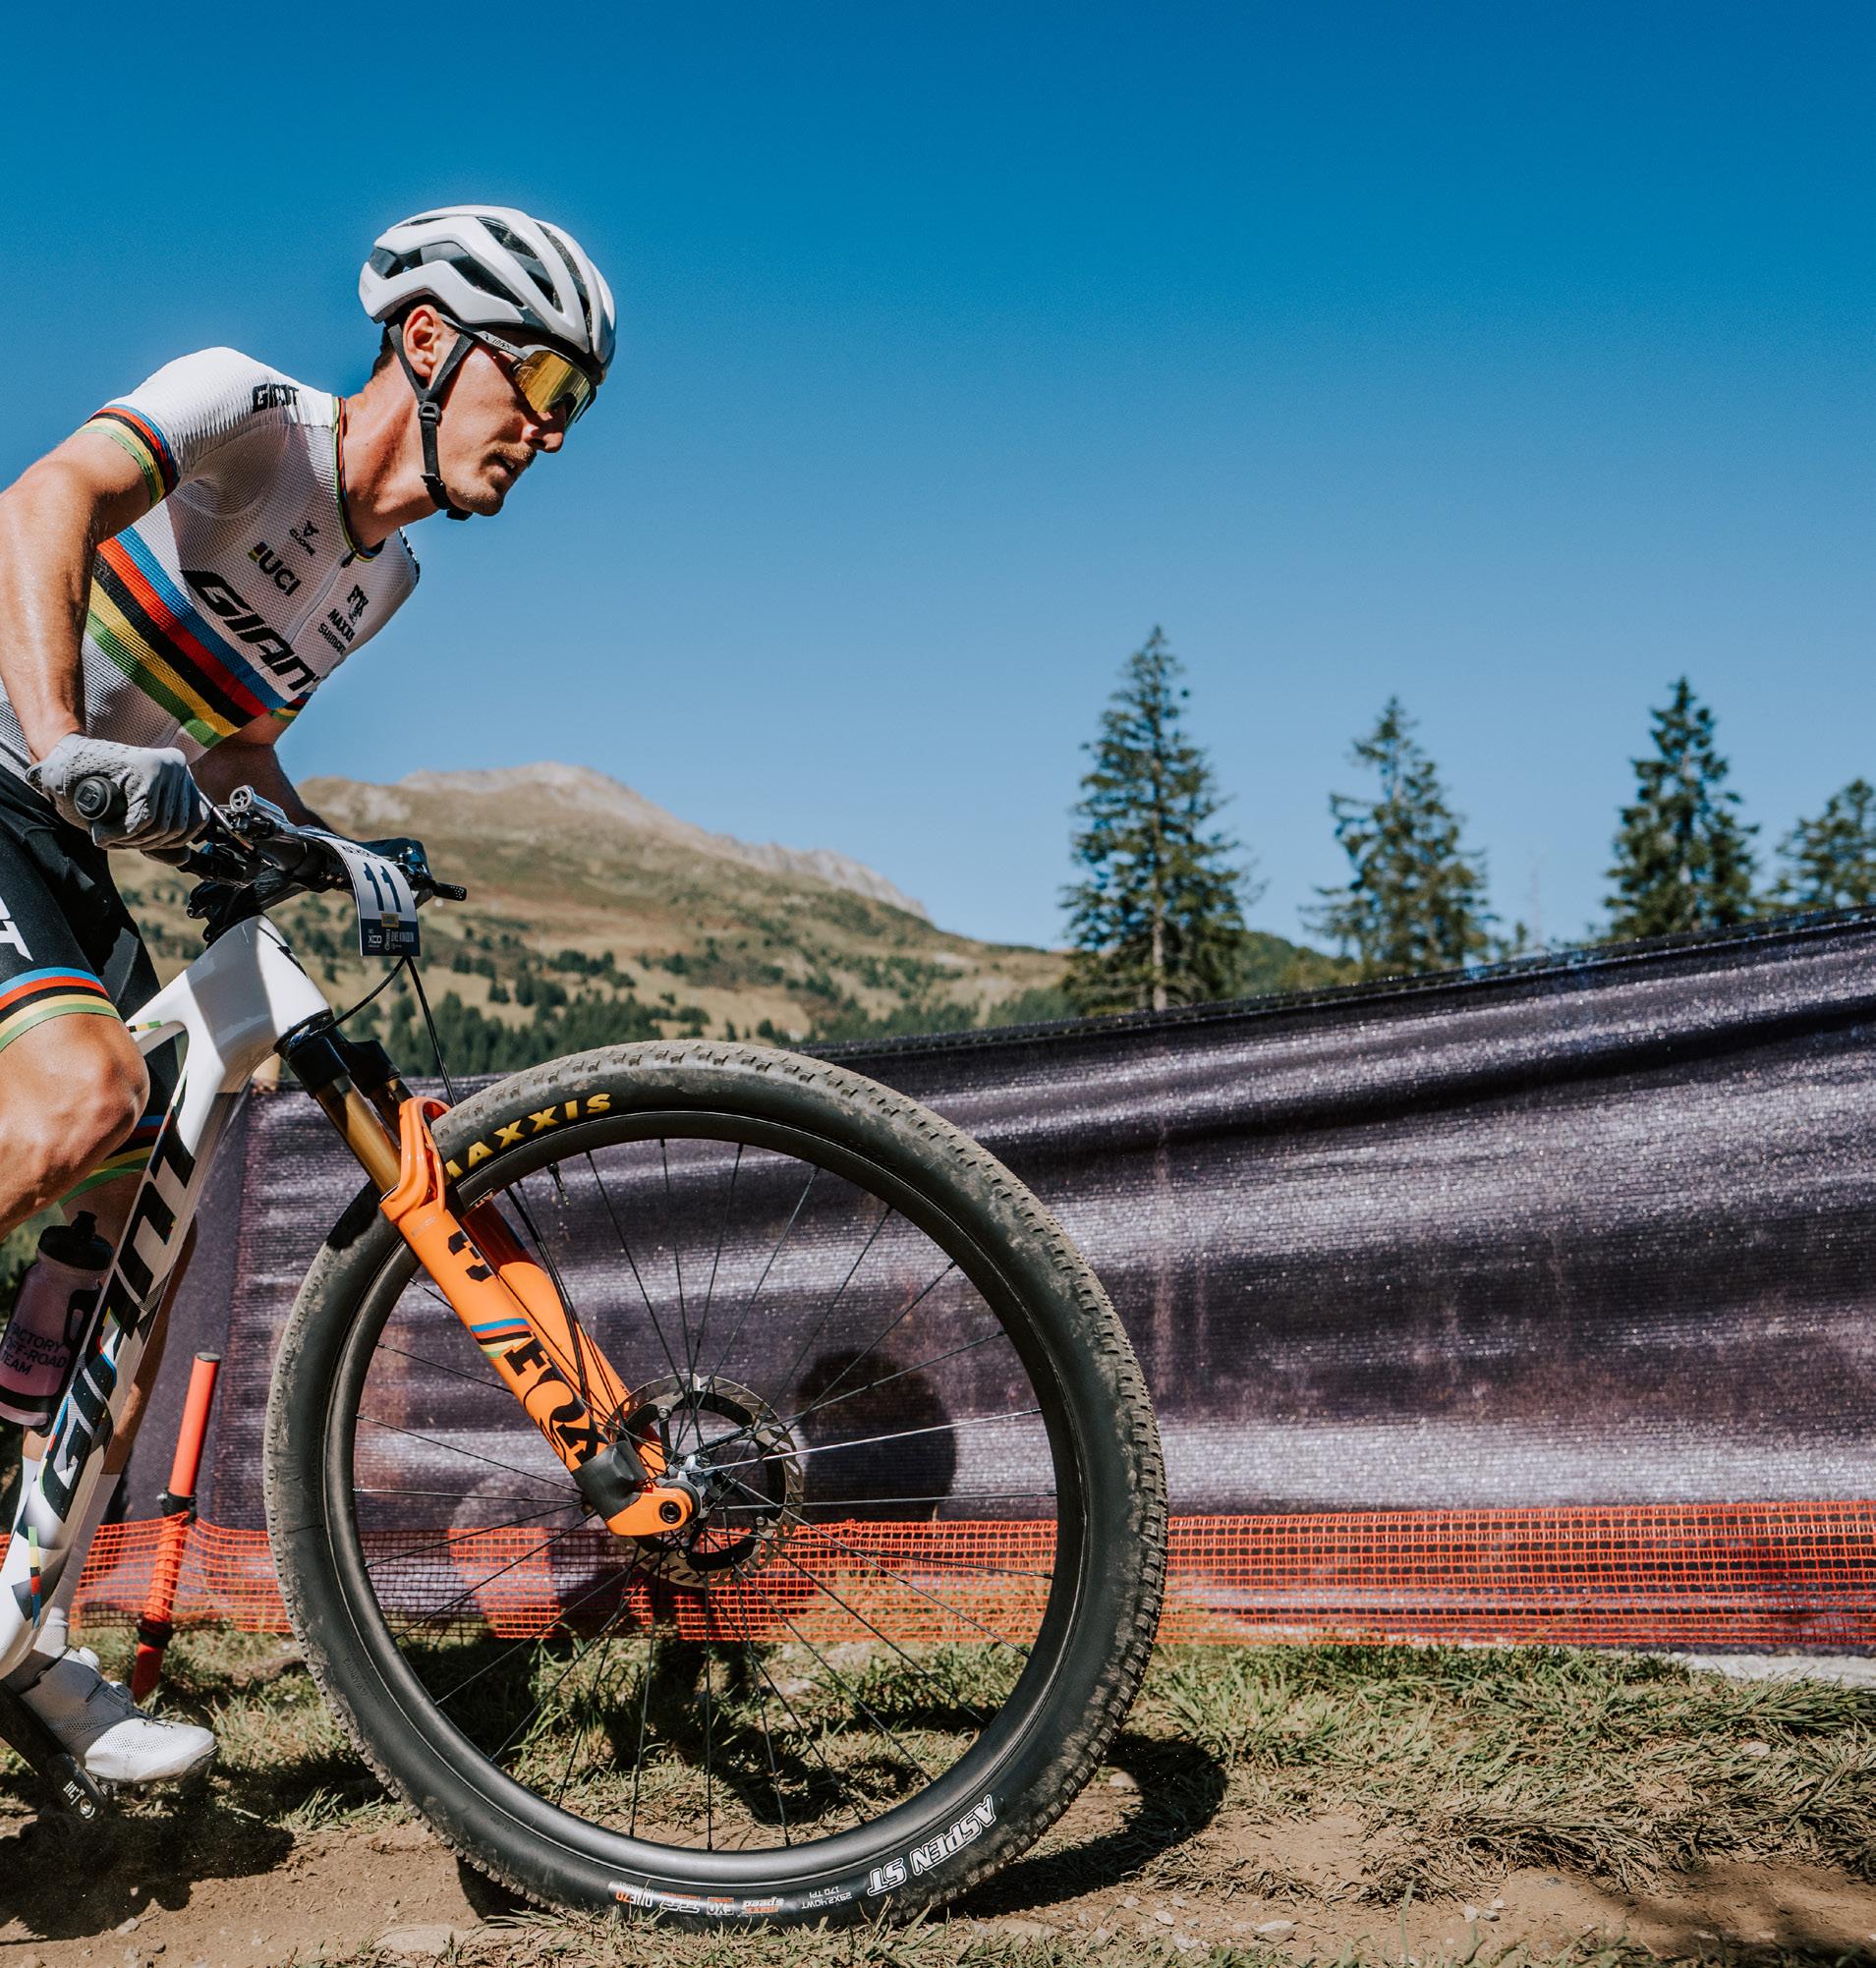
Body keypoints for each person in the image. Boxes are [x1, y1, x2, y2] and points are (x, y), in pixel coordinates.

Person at [0, 204, 615, 1785]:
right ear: (430, 339)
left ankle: (22, 1625)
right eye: (543, 380)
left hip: (55, 833)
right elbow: (43, 499)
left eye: (577, 403)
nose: (551, 430)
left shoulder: (384, 576)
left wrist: (326, 846)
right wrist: (62, 738)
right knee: (85, 1093)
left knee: (144, 1219)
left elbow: (228, 744)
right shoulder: (246, 410)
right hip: (12, 766)